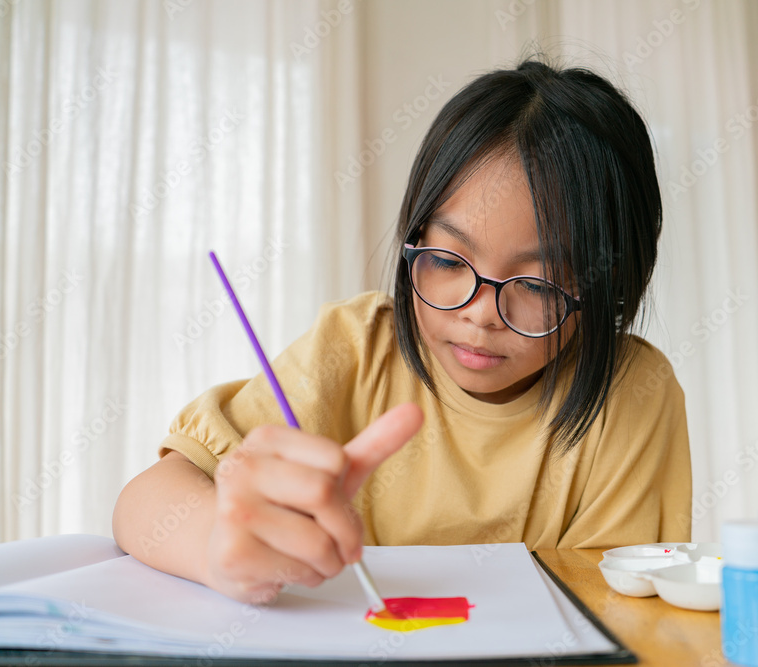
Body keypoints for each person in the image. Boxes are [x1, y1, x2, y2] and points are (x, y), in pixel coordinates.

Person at [112, 58, 691, 605]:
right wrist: (220, 549)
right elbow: (146, 501)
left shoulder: (631, 393)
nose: (481, 314)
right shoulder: (356, 346)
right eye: (446, 260)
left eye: (537, 287)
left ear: (609, 287)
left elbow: (616, 610)